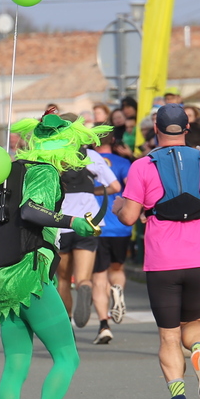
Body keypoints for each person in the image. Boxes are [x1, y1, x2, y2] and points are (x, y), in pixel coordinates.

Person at [0, 112, 108, 399]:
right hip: (30, 275)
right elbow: (32, 211)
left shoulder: (9, 173)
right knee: (68, 357)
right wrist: (73, 222)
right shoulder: (44, 171)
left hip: (3, 277)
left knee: (15, 365)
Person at [112, 104, 200, 399]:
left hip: (162, 261)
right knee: (193, 322)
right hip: (199, 257)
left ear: (156, 130)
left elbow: (129, 217)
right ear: (187, 129)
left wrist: (118, 206)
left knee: (169, 336)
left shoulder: (142, 165)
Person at [55, 132, 119, 328]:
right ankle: (84, 287)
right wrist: (92, 191)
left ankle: (66, 324)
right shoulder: (91, 156)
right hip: (88, 222)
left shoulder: (55, 155)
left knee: (63, 280)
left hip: (61, 224)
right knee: (84, 278)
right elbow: (115, 186)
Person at [88, 130, 134, 342]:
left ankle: (104, 325)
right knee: (117, 268)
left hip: (95, 224)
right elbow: (132, 188)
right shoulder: (123, 163)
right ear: (113, 140)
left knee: (98, 276)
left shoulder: (87, 161)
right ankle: (117, 290)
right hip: (120, 225)